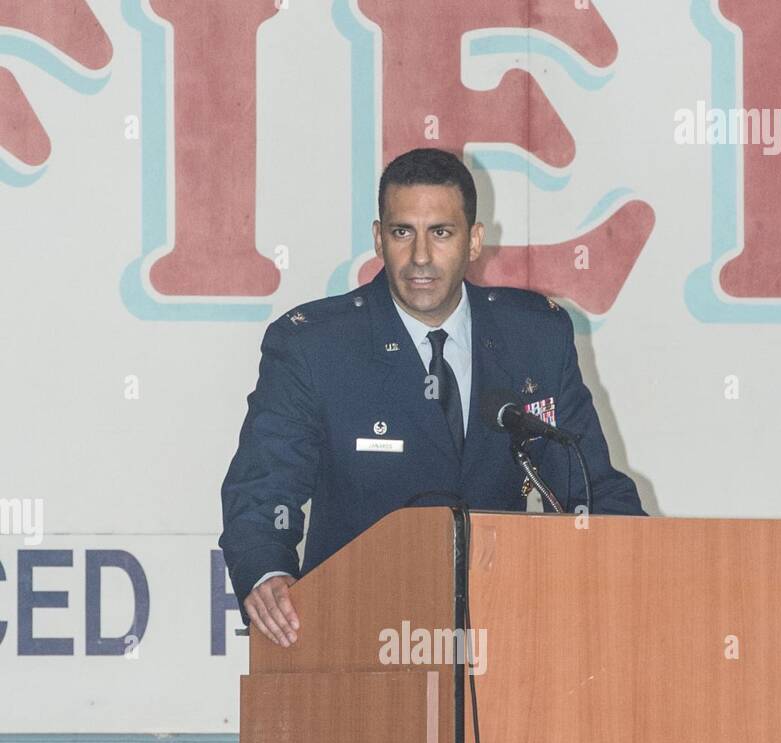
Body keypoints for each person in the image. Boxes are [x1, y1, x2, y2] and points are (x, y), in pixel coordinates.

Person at [219, 148, 645, 648]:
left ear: (474, 241)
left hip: (505, 639)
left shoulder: (533, 336)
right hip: (357, 636)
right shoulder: (315, 346)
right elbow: (264, 490)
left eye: (440, 233)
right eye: (403, 233)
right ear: (379, 239)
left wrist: (642, 567)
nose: (421, 256)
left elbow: (588, 486)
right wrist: (266, 571)